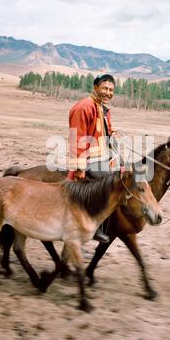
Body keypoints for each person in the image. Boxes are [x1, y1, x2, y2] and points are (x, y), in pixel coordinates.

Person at [67, 73, 118, 243]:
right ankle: (95, 227)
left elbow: (105, 131)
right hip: (88, 161)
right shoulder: (84, 107)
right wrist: (80, 168)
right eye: (105, 88)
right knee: (111, 185)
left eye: (111, 90)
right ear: (95, 87)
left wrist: (113, 135)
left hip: (101, 157)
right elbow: (77, 138)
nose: (108, 92)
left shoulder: (102, 108)